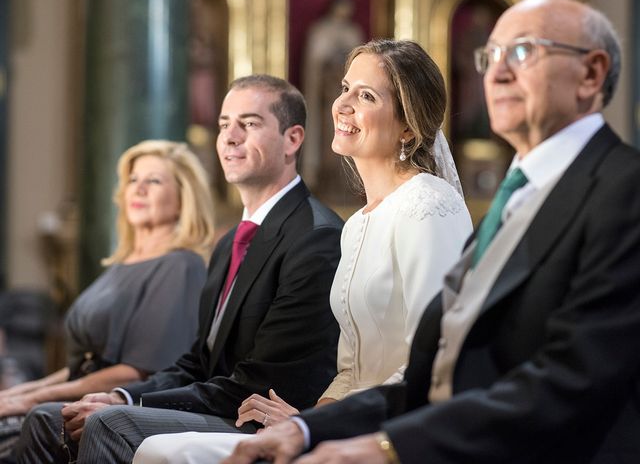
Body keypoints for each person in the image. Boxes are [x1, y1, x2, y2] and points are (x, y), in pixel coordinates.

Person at [222, 0, 640, 464]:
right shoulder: (517, 197)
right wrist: (306, 428)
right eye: (490, 55)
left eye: (523, 52)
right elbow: (435, 373)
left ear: (591, 73)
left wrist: (387, 447)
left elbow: (575, 376)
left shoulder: (625, 192)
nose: (494, 73)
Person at [132, 39, 473, 464]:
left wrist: (317, 431)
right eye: (345, 88)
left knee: (170, 453)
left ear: (408, 127)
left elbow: (434, 361)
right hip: (342, 426)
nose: (341, 104)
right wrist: (304, 422)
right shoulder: (357, 225)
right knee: (158, 449)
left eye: (365, 96)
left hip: (392, 438)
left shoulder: (429, 206)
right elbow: (349, 372)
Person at [14, 75, 343, 463]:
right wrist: (121, 395)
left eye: (250, 124)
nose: (230, 137)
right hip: (218, 399)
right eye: (224, 125)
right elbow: (198, 362)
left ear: (293, 139)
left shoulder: (313, 237)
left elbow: (258, 382)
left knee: (109, 423)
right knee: (46, 419)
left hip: (257, 419)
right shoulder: (230, 242)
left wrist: (129, 401)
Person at [0, 139, 215, 458]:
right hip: (74, 396)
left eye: (153, 180)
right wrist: (19, 393)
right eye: (133, 180)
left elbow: (137, 372)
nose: (138, 189)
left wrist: (27, 401)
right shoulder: (121, 264)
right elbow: (84, 364)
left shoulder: (181, 265)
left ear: (184, 199)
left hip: (104, 410)